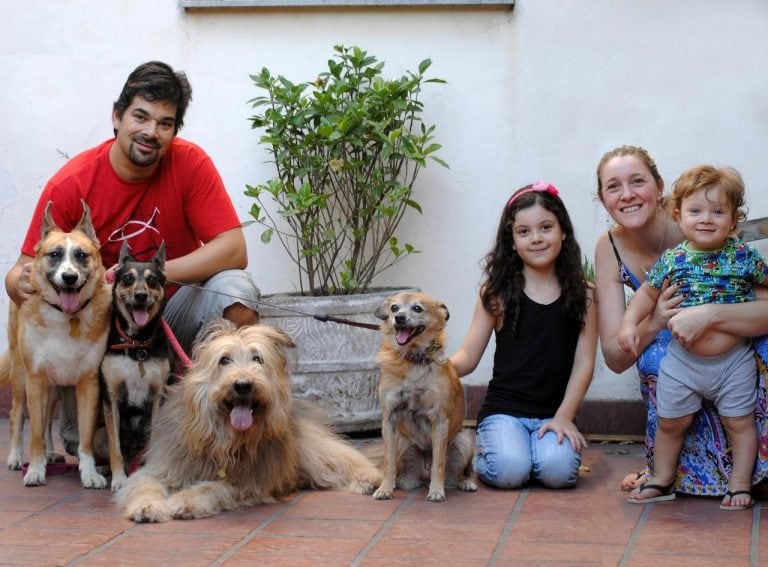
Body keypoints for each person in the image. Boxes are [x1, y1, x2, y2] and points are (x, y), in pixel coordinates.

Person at [4, 61, 261, 455]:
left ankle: (217, 412)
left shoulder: (191, 164)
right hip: (104, 334)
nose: (150, 132)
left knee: (234, 290)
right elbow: (20, 272)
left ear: (174, 130)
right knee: (96, 449)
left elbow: (233, 249)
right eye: (140, 116)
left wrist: (154, 277)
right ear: (117, 116)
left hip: (172, 315)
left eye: (165, 123)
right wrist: (20, 283)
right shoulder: (73, 183)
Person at [594, 145, 768, 509]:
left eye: (637, 181)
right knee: (669, 406)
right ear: (602, 197)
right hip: (680, 354)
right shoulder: (668, 255)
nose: (627, 194)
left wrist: (711, 314)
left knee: (742, 419)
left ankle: (744, 482)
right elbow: (617, 351)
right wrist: (646, 321)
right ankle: (663, 474)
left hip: (731, 352)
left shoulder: (731, 246)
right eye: (614, 186)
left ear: (660, 189)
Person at [450, 182, 598, 489]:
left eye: (546, 227)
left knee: (558, 474)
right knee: (509, 472)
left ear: (563, 232)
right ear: (512, 240)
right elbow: (468, 357)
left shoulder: (584, 294)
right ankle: (482, 454)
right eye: (524, 232)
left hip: (553, 414)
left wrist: (564, 417)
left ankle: (533, 453)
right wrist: (434, 366)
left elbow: (584, 363)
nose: (537, 239)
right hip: (504, 412)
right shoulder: (496, 294)